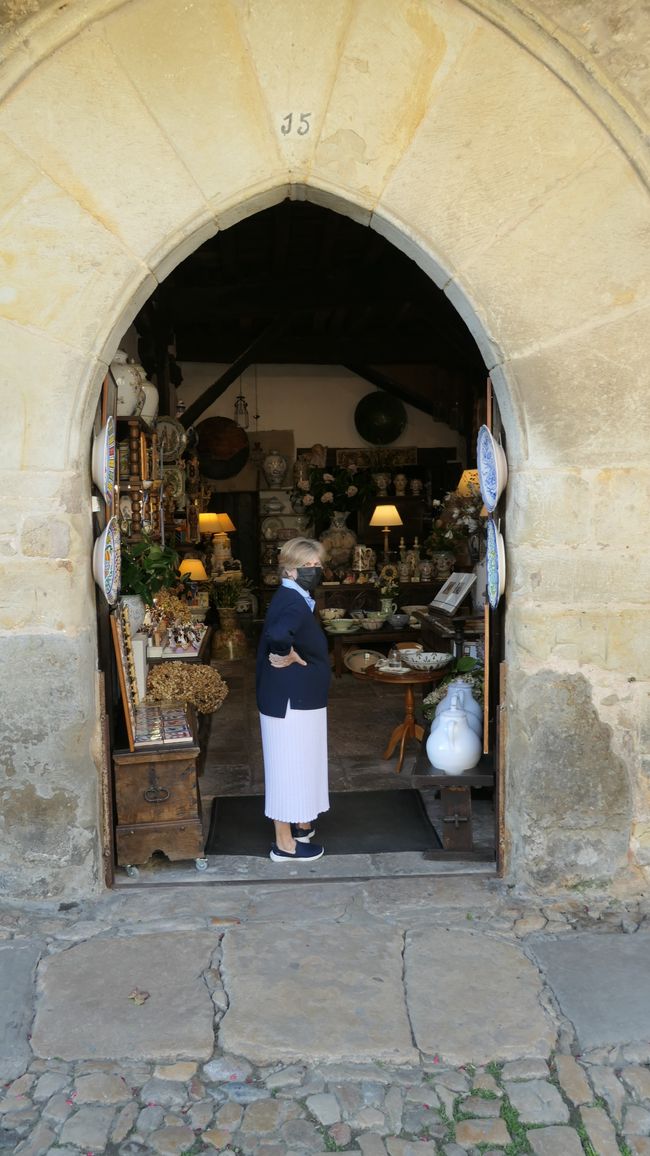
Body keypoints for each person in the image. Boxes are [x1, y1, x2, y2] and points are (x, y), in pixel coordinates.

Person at [256, 537, 330, 862]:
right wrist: (286, 655)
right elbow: (277, 635)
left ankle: (302, 825)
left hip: (300, 699)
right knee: (287, 768)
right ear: (289, 570)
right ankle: (284, 845)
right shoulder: (291, 601)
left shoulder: (296, 597)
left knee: (303, 764)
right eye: (307, 566)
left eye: (317, 565)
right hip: (289, 702)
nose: (315, 571)